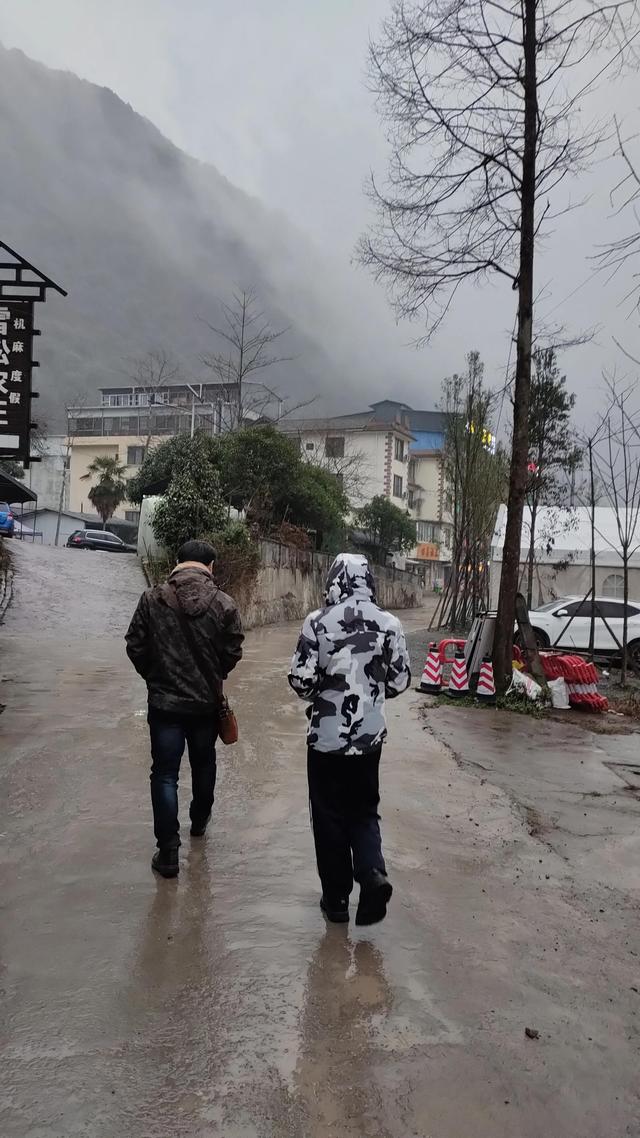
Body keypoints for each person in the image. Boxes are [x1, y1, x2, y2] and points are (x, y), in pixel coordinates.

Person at [288, 553, 411, 926]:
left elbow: (301, 681)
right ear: (369, 580)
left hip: (326, 739)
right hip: (368, 740)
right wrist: (371, 693)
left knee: (328, 817)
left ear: (334, 580)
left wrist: (327, 693)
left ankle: (337, 900)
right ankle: (373, 873)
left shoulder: (317, 622)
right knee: (363, 811)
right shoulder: (390, 624)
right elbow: (400, 681)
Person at [125, 539, 244, 878]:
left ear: (177, 562)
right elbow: (233, 651)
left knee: (164, 774)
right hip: (205, 705)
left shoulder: (152, 599)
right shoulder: (225, 604)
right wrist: (214, 674)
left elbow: (135, 645)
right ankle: (199, 822)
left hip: (164, 705)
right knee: (204, 763)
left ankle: (168, 853)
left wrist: (155, 676)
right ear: (212, 566)